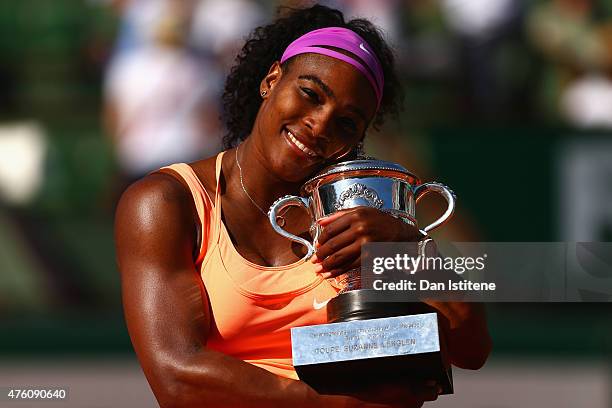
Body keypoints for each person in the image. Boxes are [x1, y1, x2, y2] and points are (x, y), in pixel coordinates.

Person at [114, 5, 492, 407]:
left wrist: (407, 241)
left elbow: (472, 350)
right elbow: (176, 379)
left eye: (346, 122)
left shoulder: (362, 219)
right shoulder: (167, 203)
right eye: (310, 94)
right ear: (272, 79)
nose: (320, 124)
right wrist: (346, 405)